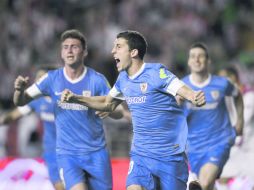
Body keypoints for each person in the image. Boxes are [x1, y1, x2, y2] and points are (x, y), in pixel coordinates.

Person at [60, 30, 206, 190]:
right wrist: (76, 98)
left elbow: (182, 89)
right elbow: (108, 103)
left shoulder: (156, 72)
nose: (112, 51)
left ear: (133, 52)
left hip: (170, 156)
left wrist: (193, 96)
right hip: (141, 156)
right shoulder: (123, 79)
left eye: (118, 46)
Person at [13, 29, 125, 190]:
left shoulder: (97, 80)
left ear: (84, 52)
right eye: (65, 47)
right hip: (68, 154)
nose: (69, 50)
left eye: (74, 46)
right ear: (61, 53)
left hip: (96, 153)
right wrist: (18, 91)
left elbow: (119, 111)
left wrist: (110, 110)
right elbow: (21, 101)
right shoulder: (51, 79)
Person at [182, 43, 244, 190]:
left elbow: (237, 95)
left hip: (219, 141)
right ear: (189, 61)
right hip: (194, 146)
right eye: (193, 56)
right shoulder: (181, 86)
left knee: (204, 181)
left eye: (201, 56)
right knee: (208, 185)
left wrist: (239, 120)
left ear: (208, 61)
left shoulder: (222, 84)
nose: (197, 60)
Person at [0, 66, 64, 190]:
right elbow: (13, 115)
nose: (37, 82)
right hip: (51, 152)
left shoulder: (66, 99)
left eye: (41, 78)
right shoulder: (37, 101)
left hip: (72, 151)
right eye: (37, 78)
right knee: (59, 186)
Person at [217, 66, 254, 189]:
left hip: (249, 148)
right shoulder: (227, 97)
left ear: (232, 78)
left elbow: (244, 120)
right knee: (221, 177)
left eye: (222, 78)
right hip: (235, 145)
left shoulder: (249, 95)